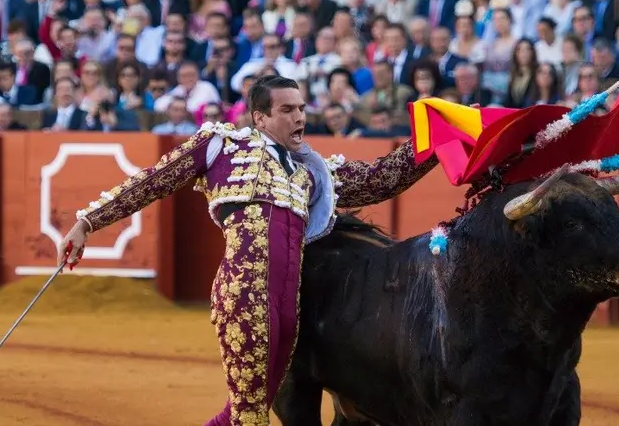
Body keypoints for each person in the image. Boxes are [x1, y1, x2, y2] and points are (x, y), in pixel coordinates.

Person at [57, 75, 438, 426]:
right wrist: (87, 222)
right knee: (250, 419)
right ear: (260, 117)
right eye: (287, 110)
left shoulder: (312, 170)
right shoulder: (221, 147)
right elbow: (152, 182)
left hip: (290, 308)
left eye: (302, 108)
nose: (299, 117)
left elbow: (381, 180)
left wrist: (437, 136)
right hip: (245, 294)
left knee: (241, 414)